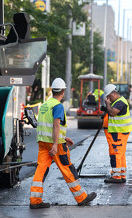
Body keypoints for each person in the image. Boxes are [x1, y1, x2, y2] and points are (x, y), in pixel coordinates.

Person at [29, 78, 97, 209]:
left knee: (41, 169)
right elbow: (55, 125)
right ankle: (81, 197)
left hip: (43, 142)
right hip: (56, 145)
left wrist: (64, 138)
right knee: (67, 169)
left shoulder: (44, 105)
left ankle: (35, 200)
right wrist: (56, 144)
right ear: (63, 91)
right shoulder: (58, 106)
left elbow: (46, 126)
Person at [103, 84, 132, 183]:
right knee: (121, 154)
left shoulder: (120, 103)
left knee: (115, 153)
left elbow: (112, 112)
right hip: (120, 132)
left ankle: (116, 176)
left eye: (109, 96)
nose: (109, 99)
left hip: (119, 133)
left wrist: (107, 104)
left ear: (114, 93)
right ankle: (122, 174)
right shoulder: (118, 102)